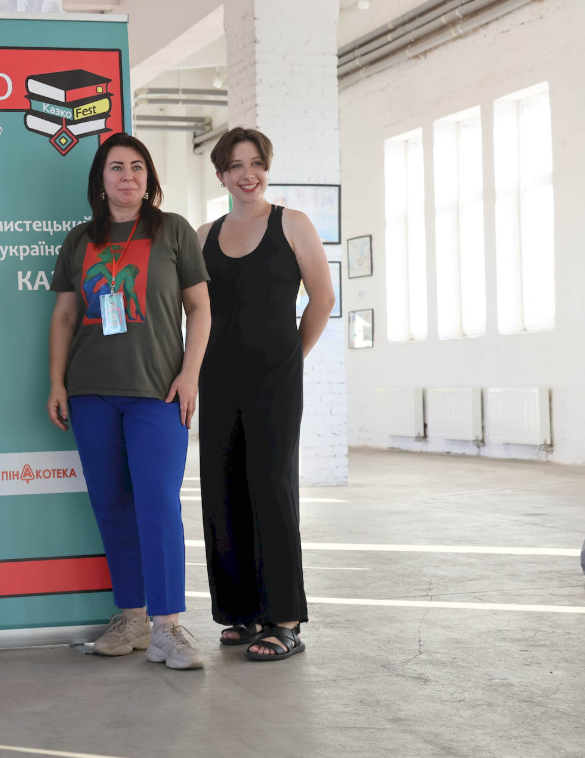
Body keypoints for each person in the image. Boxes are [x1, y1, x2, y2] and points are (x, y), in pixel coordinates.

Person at [47, 132, 212, 671]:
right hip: (91, 391)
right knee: (112, 506)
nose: (127, 177)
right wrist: (57, 383)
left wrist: (190, 375)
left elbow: (200, 309)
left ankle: (168, 627)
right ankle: (132, 617)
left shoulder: (174, 231)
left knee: (159, 507)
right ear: (101, 179)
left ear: (149, 178)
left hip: (158, 392)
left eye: (137, 167)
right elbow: (65, 316)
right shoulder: (79, 240)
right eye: (116, 167)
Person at [195, 127, 335, 661]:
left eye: (256, 163)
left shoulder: (292, 224)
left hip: (275, 379)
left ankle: (284, 619)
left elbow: (322, 298)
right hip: (216, 378)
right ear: (220, 175)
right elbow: (195, 310)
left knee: (272, 489)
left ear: (266, 168)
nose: (247, 174)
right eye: (235, 165)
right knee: (224, 488)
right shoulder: (204, 234)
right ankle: (242, 611)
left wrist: (291, 356)